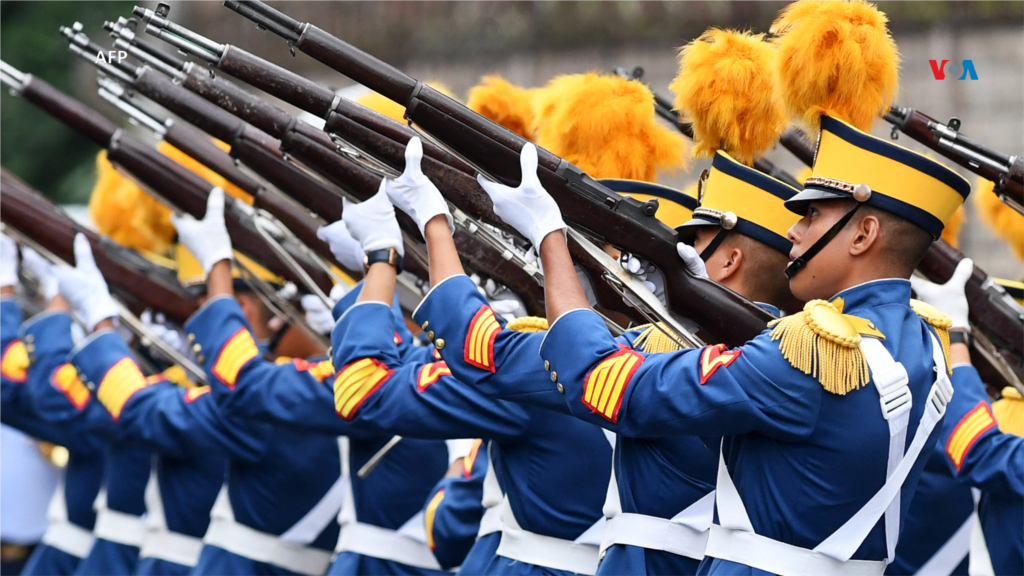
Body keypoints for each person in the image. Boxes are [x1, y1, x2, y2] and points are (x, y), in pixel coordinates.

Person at [470, 113, 970, 575]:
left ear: (863, 234)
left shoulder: (808, 355)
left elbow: (600, 381)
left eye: (812, 215)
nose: (793, 230)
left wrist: (551, 238)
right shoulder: (927, 343)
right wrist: (688, 311)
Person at [406, 138, 799, 575]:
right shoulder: (791, 359)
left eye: (694, 239)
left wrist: (438, 224)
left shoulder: (741, 362)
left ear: (729, 261)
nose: (679, 248)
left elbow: (486, 354)